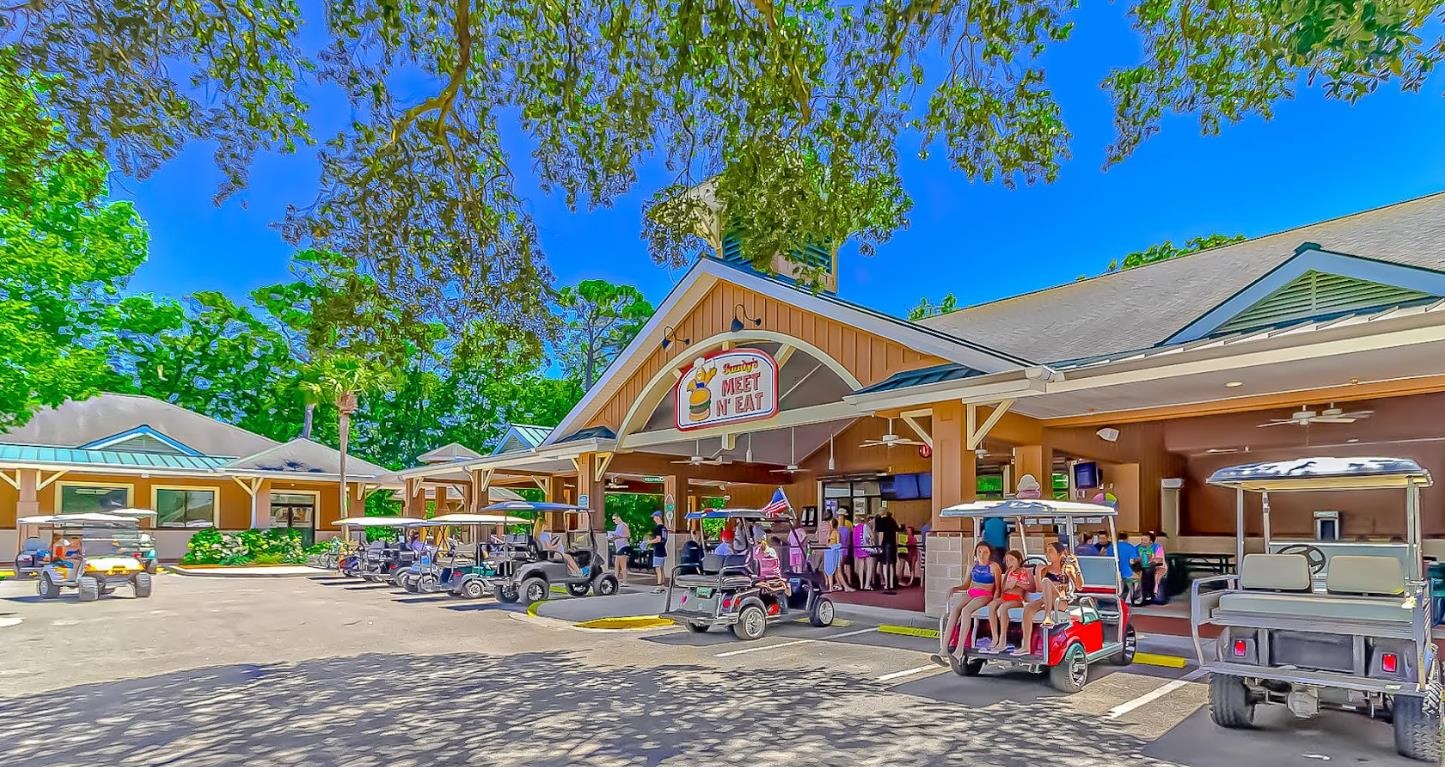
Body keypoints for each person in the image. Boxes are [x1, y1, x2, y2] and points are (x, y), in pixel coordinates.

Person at [932, 542, 1001, 665]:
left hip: (985, 594)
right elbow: (966, 584)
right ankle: (943, 648)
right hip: (971, 592)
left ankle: (959, 650)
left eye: (985, 552)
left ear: (990, 554)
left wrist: (995, 600)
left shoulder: (994, 567)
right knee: (955, 610)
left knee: (966, 611)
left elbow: (998, 588)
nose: (982, 555)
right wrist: (955, 588)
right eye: (979, 552)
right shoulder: (973, 565)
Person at [1016, 543, 1083, 656]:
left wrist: (1076, 567)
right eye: (1046, 551)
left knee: (1047, 582)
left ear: (1060, 554)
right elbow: (1039, 589)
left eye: (1051, 551)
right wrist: (1038, 572)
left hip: (1060, 602)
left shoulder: (1067, 568)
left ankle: (1047, 616)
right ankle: (1026, 645)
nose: (1047, 554)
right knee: (1028, 608)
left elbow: (1080, 586)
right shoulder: (1045, 569)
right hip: (1046, 599)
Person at [982, 550, 1033, 654]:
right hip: (1005, 597)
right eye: (1007, 560)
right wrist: (1007, 586)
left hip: (1017, 599)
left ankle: (1003, 639)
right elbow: (1003, 588)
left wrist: (1017, 583)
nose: (1009, 562)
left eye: (1012, 560)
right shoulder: (1009, 573)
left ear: (1019, 560)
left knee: (1003, 608)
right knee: (992, 605)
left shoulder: (1025, 571)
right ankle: (995, 636)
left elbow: (1032, 587)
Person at [874, 509, 901, 590]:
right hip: (892, 544)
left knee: (885, 564)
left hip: (885, 544)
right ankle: (892, 583)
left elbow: (881, 534)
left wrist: (879, 545)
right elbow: (897, 532)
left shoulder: (881, 521)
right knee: (892, 564)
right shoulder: (892, 520)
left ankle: (886, 583)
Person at [1113, 532, 1142, 603]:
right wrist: (1139, 558)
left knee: (1121, 581)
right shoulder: (1130, 547)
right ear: (1127, 538)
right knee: (1139, 578)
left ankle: (1120, 597)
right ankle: (1130, 598)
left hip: (1114, 573)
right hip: (1126, 573)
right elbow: (1132, 562)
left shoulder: (1111, 546)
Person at [607, 513, 632, 587]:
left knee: (623, 565)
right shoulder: (618, 526)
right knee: (616, 565)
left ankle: (625, 581)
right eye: (613, 520)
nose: (614, 521)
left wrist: (617, 536)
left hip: (623, 546)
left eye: (614, 519)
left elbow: (628, 535)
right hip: (618, 547)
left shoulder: (623, 525)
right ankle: (615, 580)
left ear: (618, 518)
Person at [853, 514, 875, 590]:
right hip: (866, 548)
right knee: (869, 566)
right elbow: (872, 536)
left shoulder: (855, 528)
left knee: (860, 567)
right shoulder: (866, 526)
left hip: (858, 548)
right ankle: (867, 585)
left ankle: (861, 585)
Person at [649, 511, 669, 593]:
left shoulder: (657, 528)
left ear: (658, 517)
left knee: (658, 568)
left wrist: (648, 542)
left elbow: (658, 539)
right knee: (661, 568)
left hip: (658, 550)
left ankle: (659, 586)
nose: (653, 519)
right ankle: (662, 585)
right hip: (663, 549)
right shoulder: (664, 528)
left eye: (654, 517)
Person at [838, 513, 855, 589]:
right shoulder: (847, 529)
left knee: (839, 567)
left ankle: (841, 583)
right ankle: (849, 581)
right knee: (847, 565)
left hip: (839, 550)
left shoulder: (836, 530)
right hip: (846, 549)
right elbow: (849, 542)